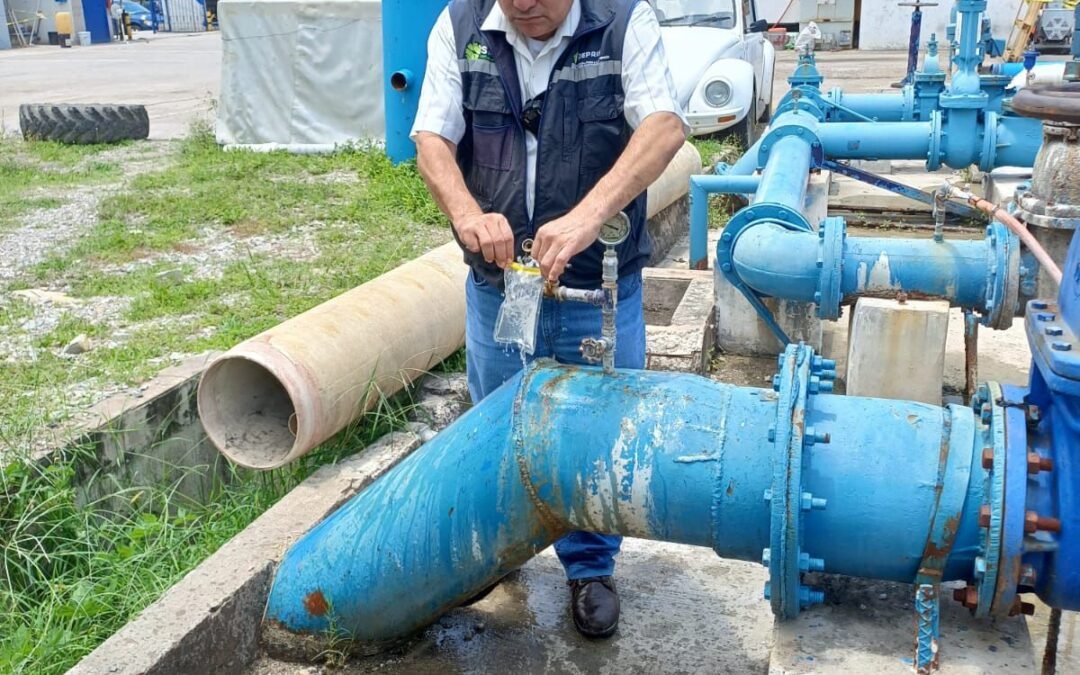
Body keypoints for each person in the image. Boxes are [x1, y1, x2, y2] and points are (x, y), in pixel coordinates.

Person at [411, 0, 687, 639]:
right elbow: (432, 139)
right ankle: (495, 553)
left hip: (596, 287)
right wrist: (467, 214)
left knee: (596, 430)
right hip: (500, 285)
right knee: (496, 423)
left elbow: (664, 128)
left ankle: (590, 568)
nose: (525, 4)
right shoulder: (460, 25)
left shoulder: (622, 22)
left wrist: (588, 217)